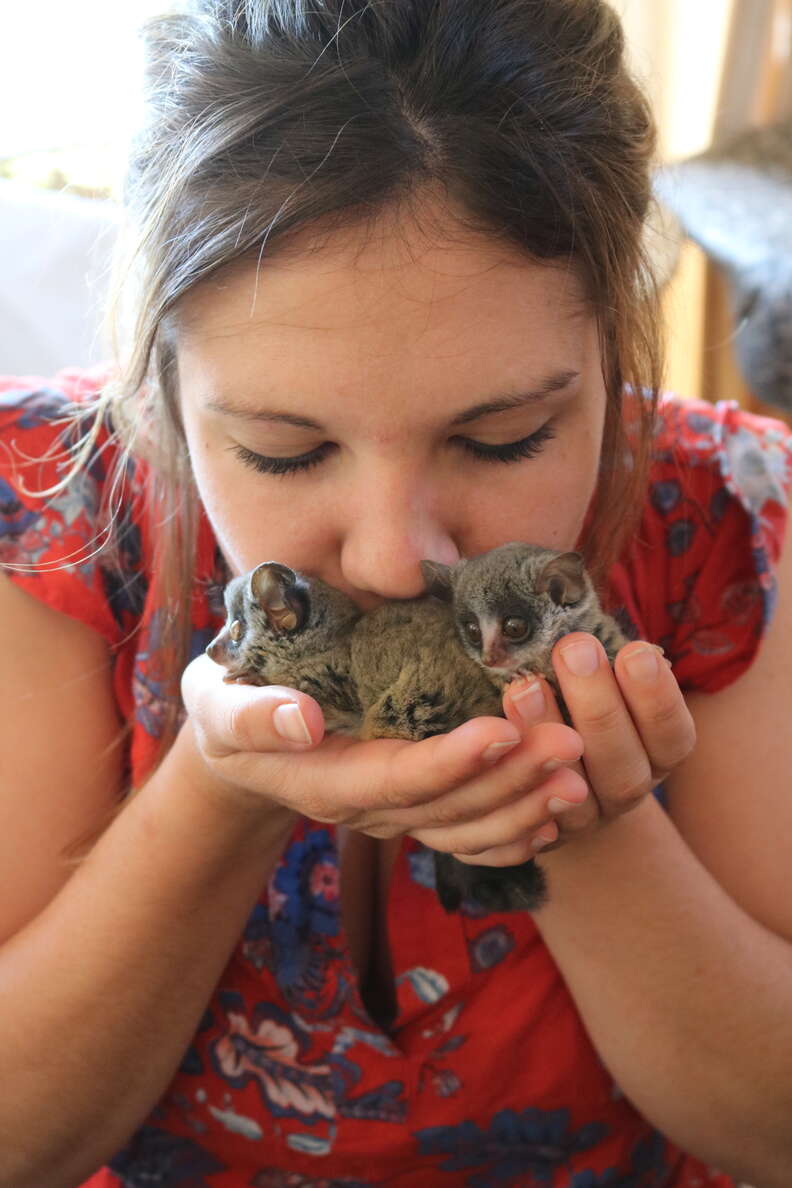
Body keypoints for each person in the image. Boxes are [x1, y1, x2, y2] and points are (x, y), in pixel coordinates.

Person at [1, 1, 790, 1185]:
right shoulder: (51, 525)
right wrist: (219, 793)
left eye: (507, 438)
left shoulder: (729, 527)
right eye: (283, 451)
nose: (385, 555)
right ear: (159, 378)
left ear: (621, 353)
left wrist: (568, 819)